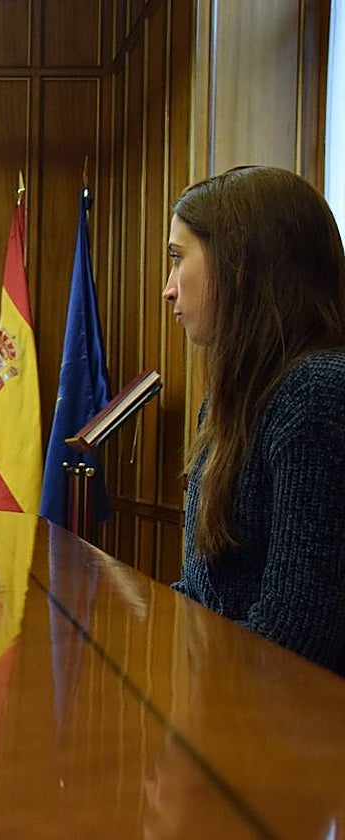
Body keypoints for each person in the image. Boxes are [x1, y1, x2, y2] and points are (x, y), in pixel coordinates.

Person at [163, 165, 345, 674]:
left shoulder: (318, 392)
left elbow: (293, 639)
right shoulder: (231, 401)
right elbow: (203, 591)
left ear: (239, 265)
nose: (169, 289)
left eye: (179, 259)